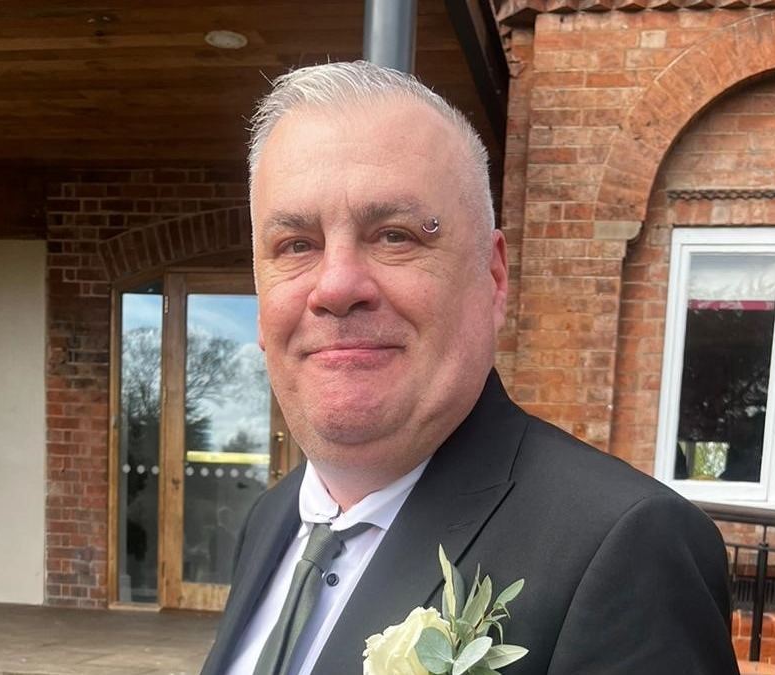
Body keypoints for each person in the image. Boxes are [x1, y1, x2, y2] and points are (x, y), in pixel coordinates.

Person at [199, 60, 739, 675]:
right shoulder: (272, 519)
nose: (337, 287)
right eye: (296, 245)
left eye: (396, 236)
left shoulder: (627, 547)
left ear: (493, 276)